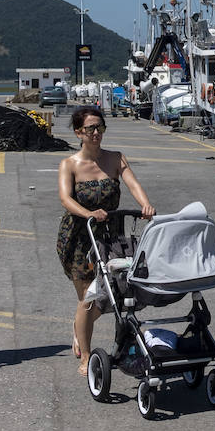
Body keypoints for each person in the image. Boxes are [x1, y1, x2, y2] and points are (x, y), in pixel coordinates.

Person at [57, 105, 154, 375]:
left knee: (115, 293)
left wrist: (146, 205)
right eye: (91, 129)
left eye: (100, 127)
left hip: (111, 236)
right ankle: (86, 356)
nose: (97, 133)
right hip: (80, 236)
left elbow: (132, 184)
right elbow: (65, 199)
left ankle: (93, 334)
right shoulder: (70, 164)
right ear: (79, 133)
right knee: (88, 299)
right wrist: (89, 213)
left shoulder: (115, 158)